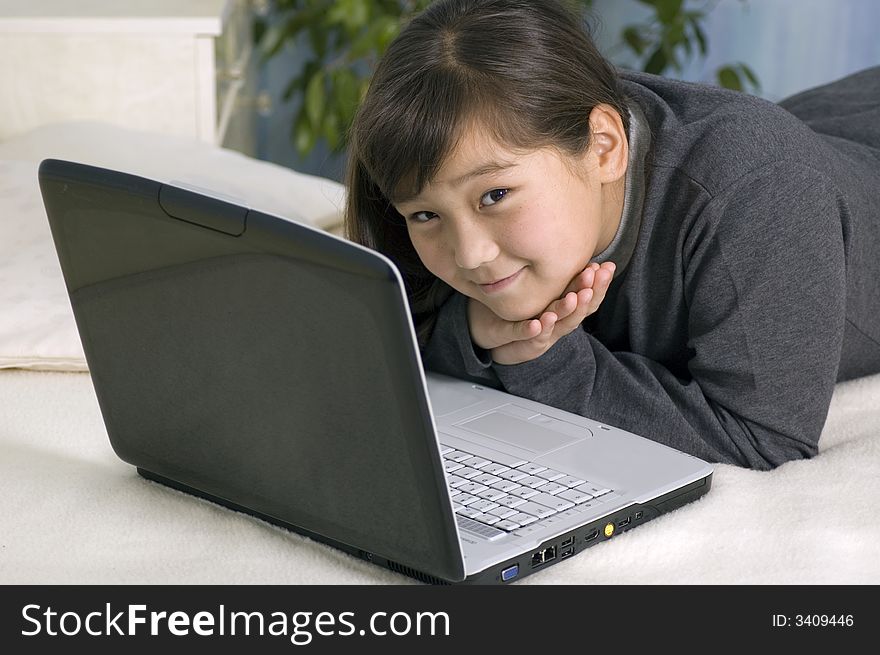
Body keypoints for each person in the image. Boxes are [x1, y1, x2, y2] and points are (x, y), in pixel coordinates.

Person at [343, 0, 880, 470]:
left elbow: (762, 442)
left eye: (495, 196)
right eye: (425, 216)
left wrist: (543, 360)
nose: (472, 255)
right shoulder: (549, 123)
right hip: (828, 123)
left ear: (604, 147)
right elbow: (398, 341)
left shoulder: (763, 192)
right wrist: (477, 333)